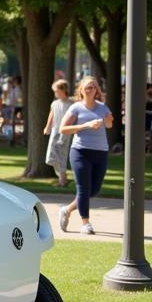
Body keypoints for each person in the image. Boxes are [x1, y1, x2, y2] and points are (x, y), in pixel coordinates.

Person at [57, 76, 114, 235]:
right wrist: (85, 125)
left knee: (93, 191)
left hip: (100, 152)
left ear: (97, 90)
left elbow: (109, 125)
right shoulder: (76, 108)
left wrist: (108, 119)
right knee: (83, 189)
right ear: (81, 90)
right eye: (87, 88)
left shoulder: (102, 107)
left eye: (93, 87)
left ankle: (67, 210)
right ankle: (85, 223)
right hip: (80, 152)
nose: (90, 90)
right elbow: (63, 128)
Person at [43, 79, 73, 187]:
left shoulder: (71, 103)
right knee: (50, 156)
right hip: (55, 130)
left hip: (65, 131)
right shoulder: (54, 103)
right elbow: (51, 115)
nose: (55, 93)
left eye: (56, 91)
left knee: (62, 154)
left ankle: (62, 180)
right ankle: (62, 177)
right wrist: (47, 127)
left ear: (62, 90)